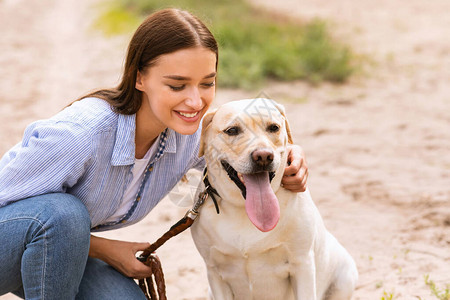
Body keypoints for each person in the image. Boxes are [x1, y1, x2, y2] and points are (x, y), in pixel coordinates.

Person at [0, 8, 308, 300]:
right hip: (24, 241)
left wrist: (287, 151)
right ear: (139, 78)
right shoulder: (80, 135)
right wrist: (105, 249)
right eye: (177, 86)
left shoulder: (190, 136)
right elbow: (31, 214)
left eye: (207, 83)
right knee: (63, 212)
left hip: (58, 252)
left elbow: (237, 143)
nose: (195, 101)